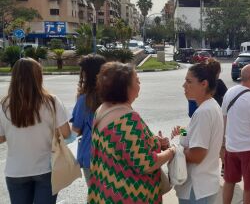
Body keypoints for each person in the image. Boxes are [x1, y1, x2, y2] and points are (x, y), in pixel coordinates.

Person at [88, 62, 175, 203]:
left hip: (106, 191)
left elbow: (123, 146)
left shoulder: (102, 109)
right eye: (136, 80)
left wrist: (154, 141)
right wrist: (171, 152)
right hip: (129, 196)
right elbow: (146, 163)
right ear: (124, 87)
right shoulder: (127, 118)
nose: (139, 82)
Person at [0, 58, 73, 203]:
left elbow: (1, 138)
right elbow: (66, 133)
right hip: (46, 168)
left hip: (16, 171)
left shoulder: (4, 104)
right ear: (38, 76)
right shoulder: (51, 101)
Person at [171, 62, 224, 203]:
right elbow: (197, 137)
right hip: (202, 187)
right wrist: (182, 131)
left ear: (204, 84)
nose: (184, 86)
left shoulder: (204, 112)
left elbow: (197, 154)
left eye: (189, 81)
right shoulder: (210, 106)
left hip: (197, 189)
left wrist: (173, 151)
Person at [222, 64, 250, 204]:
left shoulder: (229, 93)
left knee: (229, 181)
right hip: (249, 149)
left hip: (231, 147)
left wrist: (223, 144)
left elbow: (224, 119)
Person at [70, 54, 106, 183]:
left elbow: (76, 130)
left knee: (95, 196)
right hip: (113, 156)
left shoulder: (84, 100)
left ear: (86, 74)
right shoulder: (115, 96)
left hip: (91, 155)